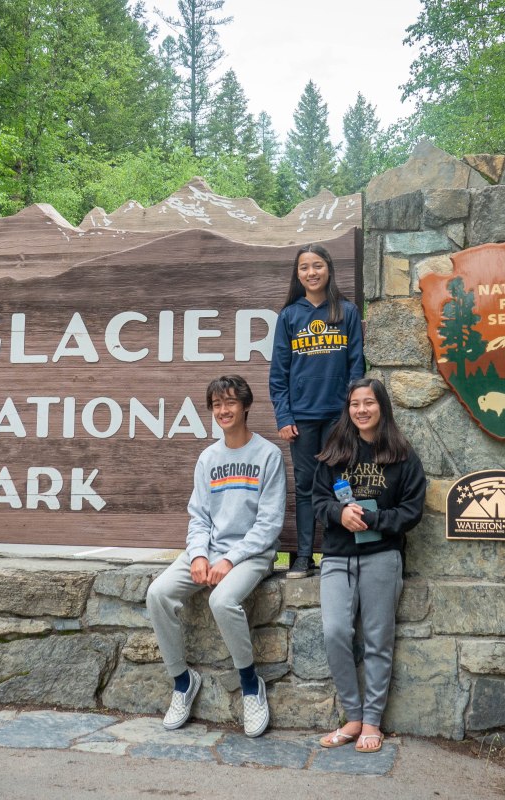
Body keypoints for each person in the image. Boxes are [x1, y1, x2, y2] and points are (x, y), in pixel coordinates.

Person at [145, 375, 286, 738]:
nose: (223, 410)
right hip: (210, 551)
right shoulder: (208, 457)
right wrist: (198, 556)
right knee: (158, 593)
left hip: (252, 554)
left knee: (222, 600)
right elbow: (199, 517)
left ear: (246, 406)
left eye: (230, 403)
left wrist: (230, 559)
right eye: (217, 405)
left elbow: (268, 524)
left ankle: (251, 685)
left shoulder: (268, 455)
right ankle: (181, 681)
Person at [312, 378, 425, 753]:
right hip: (338, 557)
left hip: (382, 557)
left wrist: (374, 520)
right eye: (355, 404)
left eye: (369, 403)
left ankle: (372, 722)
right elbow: (317, 500)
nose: (361, 410)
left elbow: (411, 511)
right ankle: (353, 715)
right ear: (348, 409)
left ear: (382, 408)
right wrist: (339, 513)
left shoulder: (403, 455)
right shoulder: (335, 451)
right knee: (335, 633)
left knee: (378, 640)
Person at [269, 243, 365, 579]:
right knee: (306, 485)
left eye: (317, 266)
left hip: (338, 418)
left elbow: (357, 366)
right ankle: (304, 558)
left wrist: (353, 412)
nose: (311, 272)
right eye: (304, 267)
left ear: (329, 269)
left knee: (342, 483)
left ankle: (336, 553)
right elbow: (278, 374)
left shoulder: (347, 312)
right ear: (297, 274)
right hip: (302, 420)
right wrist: (284, 417)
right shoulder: (290, 316)